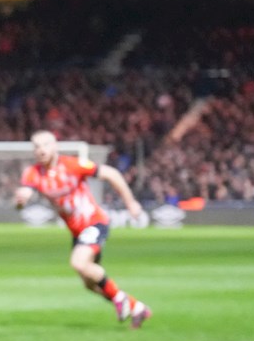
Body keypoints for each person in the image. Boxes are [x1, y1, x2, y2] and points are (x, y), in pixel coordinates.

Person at [13, 130, 151, 327]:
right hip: (78, 232)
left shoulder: (72, 165)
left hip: (94, 222)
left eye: (45, 145)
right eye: (36, 146)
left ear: (55, 147)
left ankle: (120, 298)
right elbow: (23, 196)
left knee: (79, 263)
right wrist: (20, 201)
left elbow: (111, 173)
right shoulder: (33, 173)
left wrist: (131, 203)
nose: (41, 150)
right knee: (89, 283)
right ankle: (137, 308)